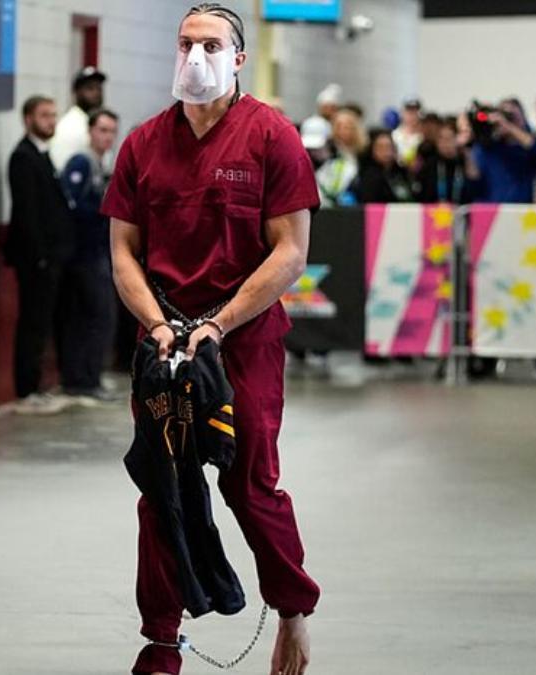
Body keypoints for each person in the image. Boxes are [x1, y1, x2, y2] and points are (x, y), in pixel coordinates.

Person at [102, 4, 320, 674]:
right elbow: (123, 253)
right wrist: (164, 325)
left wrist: (218, 325)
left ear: (239, 56)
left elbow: (290, 252)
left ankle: (292, 612)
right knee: (159, 483)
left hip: (242, 340)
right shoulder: (143, 144)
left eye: (212, 44)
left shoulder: (270, 137)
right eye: (186, 42)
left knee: (249, 482)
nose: (197, 56)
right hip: (164, 342)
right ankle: (161, 639)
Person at [5, 95, 76, 414]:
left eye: (53, 115)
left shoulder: (43, 154)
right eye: (44, 115)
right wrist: (40, 256)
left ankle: (37, 383)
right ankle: (26, 387)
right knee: (32, 322)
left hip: (52, 256)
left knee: (44, 320)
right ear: (28, 119)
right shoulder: (23, 157)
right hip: (35, 259)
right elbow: (27, 213)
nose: (51, 121)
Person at [58, 108, 120, 403]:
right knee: (94, 314)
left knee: (98, 315)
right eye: (102, 130)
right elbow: (71, 205)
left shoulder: (102, 165)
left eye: (111, 132)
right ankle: (81, 378)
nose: (107, 137)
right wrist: (101, 212)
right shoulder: (82, 163)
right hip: (83, 253)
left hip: (98, 251)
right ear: (90, 132)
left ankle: (89, 375)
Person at [470, 97, 536, 204]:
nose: (505, 121)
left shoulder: (527, 147)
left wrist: (510, 127)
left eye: (512, 116)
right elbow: (474, 179)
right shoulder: (487, 148)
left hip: (519, 211)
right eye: (504, 116)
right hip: (490, 212)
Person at [49, 66, 107, 173]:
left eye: (99, 88)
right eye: (90, 88)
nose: (96, 93)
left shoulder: (97, 122)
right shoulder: (69, 125)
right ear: (76, 92)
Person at [415, 117, 477, 204]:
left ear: (456, 139)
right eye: (441, 139)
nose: (445, 143)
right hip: (435, 213)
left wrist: (467, 157)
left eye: (449, 138)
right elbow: (421, 194)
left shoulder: (463, 162)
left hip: (461, 212)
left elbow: (475, 188)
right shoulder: (430, 165)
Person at [315, 107, 365, 207]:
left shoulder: (362, 152)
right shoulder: (328, 151)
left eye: (348, 127)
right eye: (340, 126)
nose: (344, 131)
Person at [354, 128, 414, 203]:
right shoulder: (368, 175)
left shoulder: (401, 172)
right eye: (380, 147)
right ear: (372, 151)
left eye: (389, 146)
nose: (386, 151)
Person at [299, 82, 341, 149]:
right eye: (325, 107)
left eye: (331, 107)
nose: (328, 110)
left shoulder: (339, 124)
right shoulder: (310, 122)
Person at [393, 97, 425, 167]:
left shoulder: (423, 136)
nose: (412, 116)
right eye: (409, 112)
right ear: (402, 113)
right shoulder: (394, 135)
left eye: (415, 112)